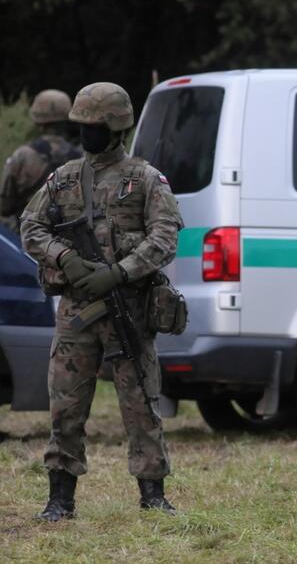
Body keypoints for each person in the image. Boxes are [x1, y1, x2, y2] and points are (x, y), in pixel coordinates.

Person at [20, 82, 183, 521]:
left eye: (92, 126)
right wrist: (66, 259)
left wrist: (120, 271)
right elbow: (31, 227)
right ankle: (60, 499)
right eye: (81, 126)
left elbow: (166, 237)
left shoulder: (146, 180)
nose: (85, 134)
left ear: (114, 128)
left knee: (141, 405)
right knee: (65, 405)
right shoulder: (65, 179)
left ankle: (152, 495)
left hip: (129, 308)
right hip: (77, 313)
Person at [1, 89, 81, 232]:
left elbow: (4, 205)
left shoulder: (23, 156)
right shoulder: (81, 158)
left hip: (27, 238)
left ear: (38, 121)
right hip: (68, 243)